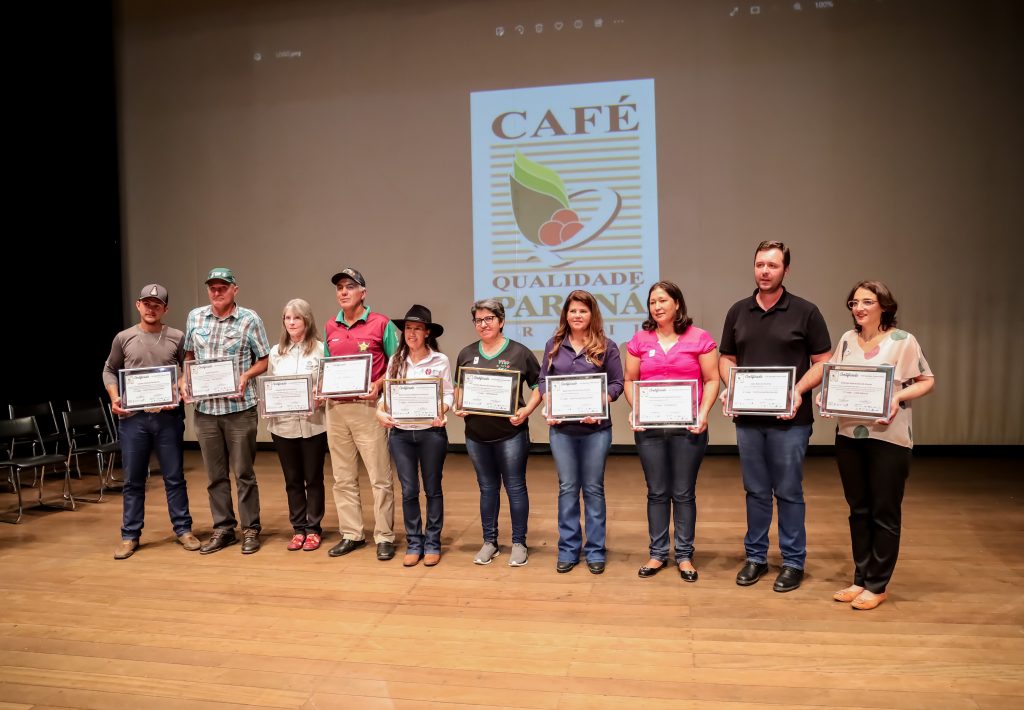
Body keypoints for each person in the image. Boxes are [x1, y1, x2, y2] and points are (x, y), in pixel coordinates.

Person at [719, 241, 831, 592]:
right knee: (754, 491)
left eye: (772, 265)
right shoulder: (738, 311)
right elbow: (727, 358)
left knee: (788, 491)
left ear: (786, 270)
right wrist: (730, 386)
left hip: (790, 422)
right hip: (749, 420)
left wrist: (797, 391)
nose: (764, 271)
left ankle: (793, 562)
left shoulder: (805, 312)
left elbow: (824, 361)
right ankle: (756, 558)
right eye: (759, 265)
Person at [823, 281, 934, 610]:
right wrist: (826, 395)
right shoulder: (846, 340)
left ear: (884, 306)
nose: (858, 308)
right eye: (854, 302)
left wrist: (897, 396)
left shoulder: (903, 341)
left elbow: (926, 380)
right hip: (849, 436)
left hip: (889, 438)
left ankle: (878, 584)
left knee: (884, 512)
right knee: (859, 510)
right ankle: (860, 578)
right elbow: (838, 378)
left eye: (867, 302)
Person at [623, 281, 719, 582]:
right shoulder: (640, 340)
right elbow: (629, 380)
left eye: (663, 300)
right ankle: (657, 553)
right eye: (652, 302)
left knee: (683, 492)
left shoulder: (700, 338)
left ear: (677, 303)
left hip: (688, 427)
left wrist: (703, 414)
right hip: (650, 429)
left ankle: (685, 555)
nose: (657, 306)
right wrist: (636, 408)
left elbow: (713, 379)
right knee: (657, 492)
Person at [103, 284, 197, 560]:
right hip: (134, 420)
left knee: (174, 477)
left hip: (167, 418)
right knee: (133, 480)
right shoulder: (124, 338)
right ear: (138, 305)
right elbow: (109, 370)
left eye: (157, 304)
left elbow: (187, 369)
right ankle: (129, 535)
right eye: (147, 303)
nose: (151, 308)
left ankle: (183, 530)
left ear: (165, 309)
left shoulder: (177, 337)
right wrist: (114, 397)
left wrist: (180, 388)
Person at [183, 267, 270, 554]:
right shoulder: (195, 317)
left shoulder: (249, 319)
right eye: (212, 287)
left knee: (244, 472)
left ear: (235, 289)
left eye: (223, 287)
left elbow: (265, 359)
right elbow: (190, 356)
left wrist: (246, 376)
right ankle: (223, 529)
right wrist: (186, 378)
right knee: (215, 475)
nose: (217, 292)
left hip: (239, 409)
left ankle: (250, 529)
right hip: (206, 410)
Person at [539, 291, 623, 575]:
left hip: (595, 430)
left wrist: (600, 401)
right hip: (562, 430)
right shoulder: (553, 346)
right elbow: (543, 381)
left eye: (583, 311)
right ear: (566, 314)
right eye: (573, 311)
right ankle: (568, 549)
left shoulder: (607, 346)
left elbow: (617, 384)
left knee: (593, 489)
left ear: (592, 315)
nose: (577, 316)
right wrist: (548, 401)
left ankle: (596, 550)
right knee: (567, 489)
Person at [454, 298, 542, 567]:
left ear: (501, 321)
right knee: (487, 489)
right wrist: (459, 404)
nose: (483, 325)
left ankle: (519, 542)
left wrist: (526, 412)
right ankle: (489, 541)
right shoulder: (466, 353)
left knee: (515, 488)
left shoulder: (519, 352)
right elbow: (459, 387)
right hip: (476, 435)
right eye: (478, 320)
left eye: (489, 319)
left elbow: (540, 385)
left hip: (511, 434)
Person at [323, 268, 400, 561]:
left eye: (350, 287)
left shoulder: (382, 324)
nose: (343, 292)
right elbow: (327, 367)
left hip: (369, 409)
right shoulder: (331, 326)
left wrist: (379, 384)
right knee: (342, 477)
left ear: (363, 293)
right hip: (336, 409)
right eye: (340, 287)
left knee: (379, 476)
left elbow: (397, 366)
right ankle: (351, 533)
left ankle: (384, 536)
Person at [375, 305, 454, 568]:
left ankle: (432, 542)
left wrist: (440, 411)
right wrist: (380, 411)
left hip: (431, 433)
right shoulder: (396, 361)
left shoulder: (439, 361)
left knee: (432, 489)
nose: (411, 333)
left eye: (417, 329)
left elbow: (449, 395)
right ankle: (414, 541)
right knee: (409, 491)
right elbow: (388, 395)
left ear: (427, 332)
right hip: (400, 434)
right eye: (408, 328)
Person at [267, 299, 327, 552]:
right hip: (283, 426)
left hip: (313, 424)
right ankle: (298, 528)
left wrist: (320, 395)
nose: (292, 323)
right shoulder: (275, 352)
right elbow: (270, 385)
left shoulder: (320, 350)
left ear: (307, 320)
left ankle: (313, 529)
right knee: (292, 479)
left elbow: (326, 384)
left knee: (313, 478)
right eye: (287, 318)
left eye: (297, 318)